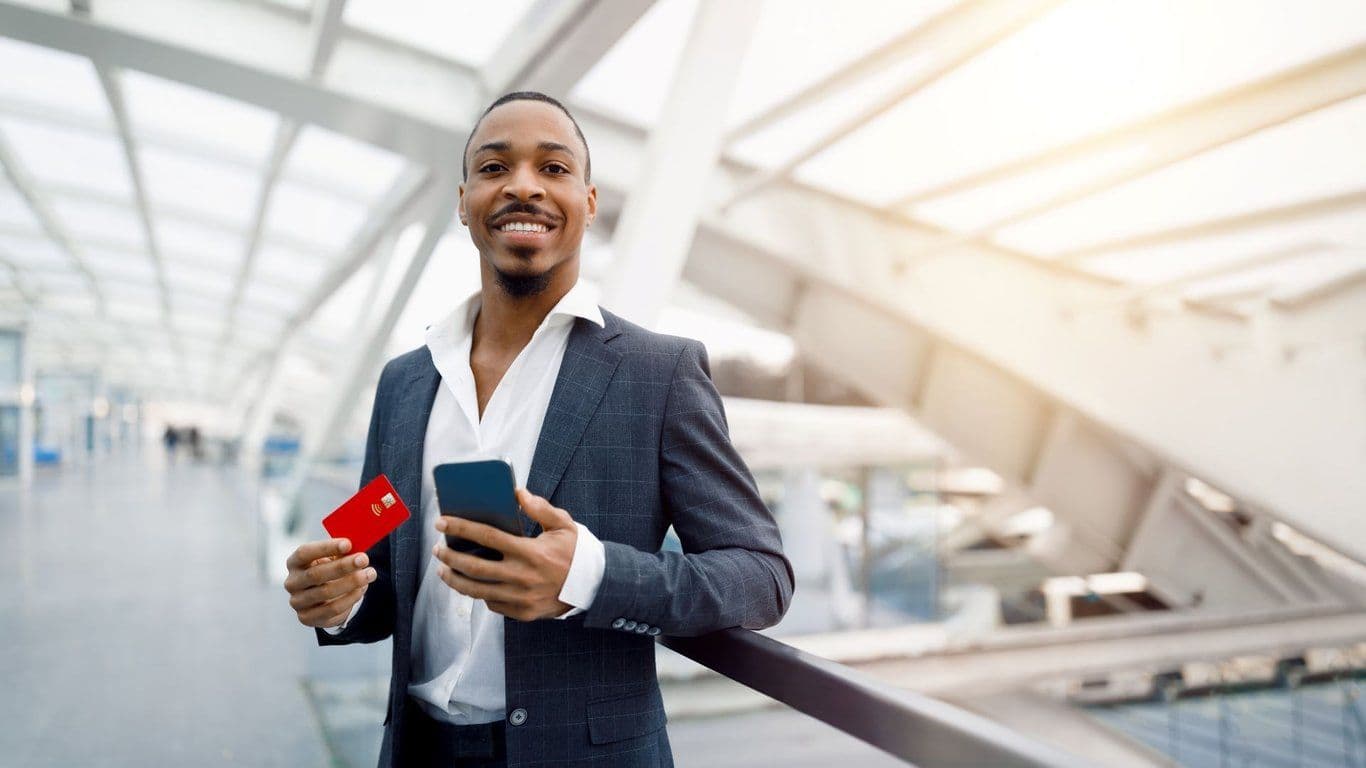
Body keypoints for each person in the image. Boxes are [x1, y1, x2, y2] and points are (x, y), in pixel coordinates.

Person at [283, 92, 793, 767]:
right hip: (419, 750)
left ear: (589, 202)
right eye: (495, 168)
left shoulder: (658, 373)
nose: (523, 186)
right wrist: (337, 599)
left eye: (552, 168)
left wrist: (588, 573)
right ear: (464, 201)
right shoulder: (403, 383)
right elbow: (378, 569)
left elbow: (760, 577)